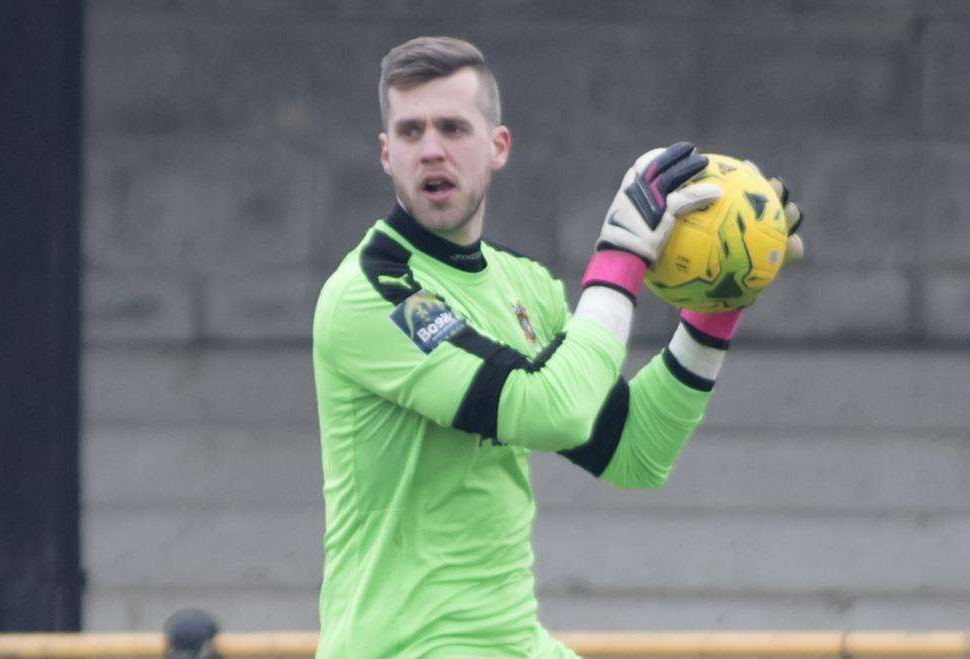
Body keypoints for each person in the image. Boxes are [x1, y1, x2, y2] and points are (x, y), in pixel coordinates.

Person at [311, 36, 804, 658]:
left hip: (509, 642)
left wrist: (716, 308)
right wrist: (621, 256)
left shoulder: (524, 284)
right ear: (387, 155)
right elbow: (548, 409)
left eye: (452, 127)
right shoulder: (373, 292)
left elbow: (633, 451)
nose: (431, 148)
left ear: (498, 148)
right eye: (410, 132)